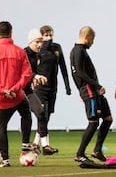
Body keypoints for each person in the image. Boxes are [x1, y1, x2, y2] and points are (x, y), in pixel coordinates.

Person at [0, 21, 33, 167]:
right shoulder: (19, 51)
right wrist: (15, 89)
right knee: (26, 113)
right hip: (17, 96)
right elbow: (27, 73)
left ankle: (5, 160)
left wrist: (1, 90)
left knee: (1, 127)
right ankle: (25, 143)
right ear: (11, 32)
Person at [71, 26, 113, 163]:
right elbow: (79, 73)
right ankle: (80, 153)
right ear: (87, 37)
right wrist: (97, 85)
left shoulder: (81, 51)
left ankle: (97, 150)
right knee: (93, 122)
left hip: (93, 90)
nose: (93, 42)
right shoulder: (77, 51)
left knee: (108, 118)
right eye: (92, 39)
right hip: (89, 90)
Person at [33, 25, 72, 155]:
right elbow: (32, 68)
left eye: (50, 35)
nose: (49, 38)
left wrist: (67, 86)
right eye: (46, 35)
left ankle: (35, 143)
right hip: (40, 88)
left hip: (53, 88)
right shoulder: (39, 49)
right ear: (41, 37)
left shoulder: (57, 48)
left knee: (47, 116)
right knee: (42, 115)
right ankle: (46, 146)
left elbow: (63, 68)